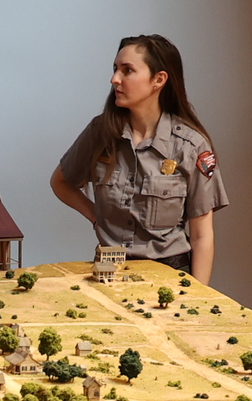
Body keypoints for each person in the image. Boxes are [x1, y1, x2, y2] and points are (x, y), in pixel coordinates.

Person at [49, 33, 225, 282]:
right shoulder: (101, 133)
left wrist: (197, 296)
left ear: (158, 79)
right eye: (115, 69)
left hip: (169, 276)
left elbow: (202, 236)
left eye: (127, 70)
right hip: (110, 273)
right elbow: (60, 182)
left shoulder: (190, 145)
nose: (115, 79)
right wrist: (97, 219)